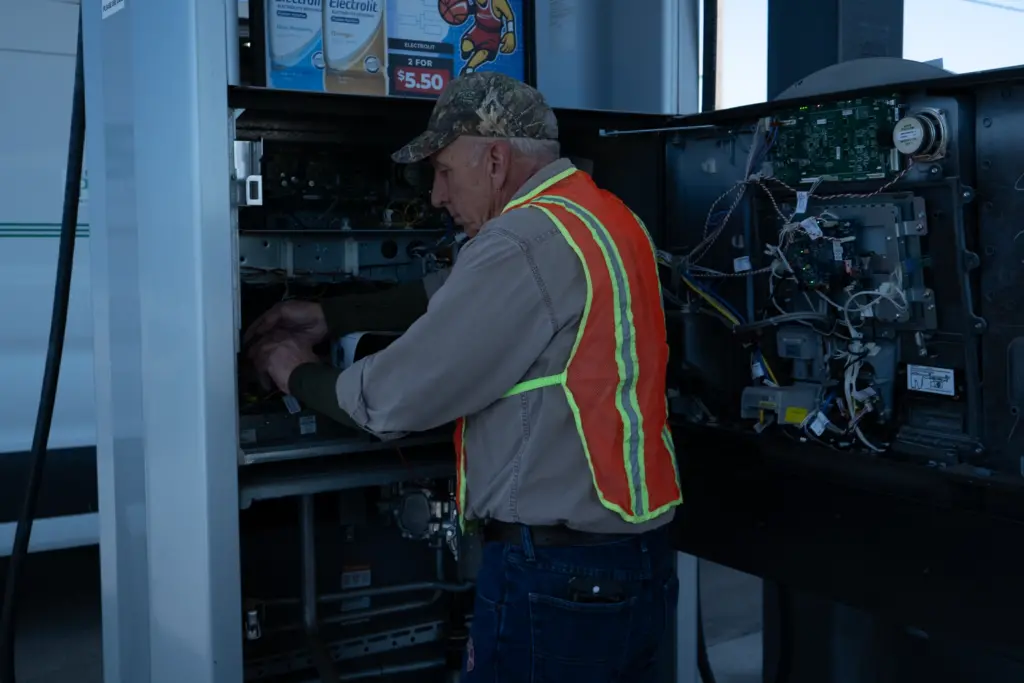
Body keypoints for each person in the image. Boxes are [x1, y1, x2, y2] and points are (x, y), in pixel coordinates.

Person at [245, 71, 683, 682]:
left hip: (555, 576)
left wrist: (293, 372)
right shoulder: (603, 219)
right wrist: (330, 314)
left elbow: (392, 400)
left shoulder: (522, 239)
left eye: (444, 171)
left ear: (496, 159)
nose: (435, 196)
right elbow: (452, 294)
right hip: (633, 560)